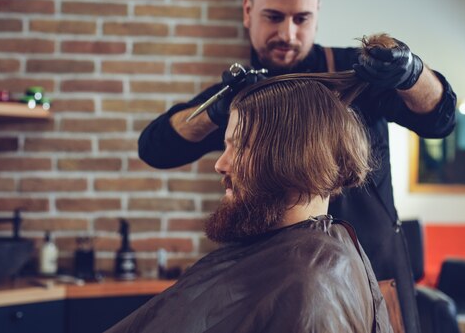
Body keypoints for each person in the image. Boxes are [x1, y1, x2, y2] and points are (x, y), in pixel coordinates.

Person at [139, 0, 457, 333]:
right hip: (277, 277)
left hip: (371, 271)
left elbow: (441, 120)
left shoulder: (358, 74)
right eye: (273, 17)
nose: (288, 33)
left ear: (316, 14)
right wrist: (217, 109)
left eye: (301, 19)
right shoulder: (244, 93)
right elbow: (156, 147)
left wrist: (412, 74)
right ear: (248, 10)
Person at [109, 72, 391, 333]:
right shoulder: (309, 259)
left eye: (241, 146)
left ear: (295, 157)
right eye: (225, 147)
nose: (220, 164)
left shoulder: (308, 286)